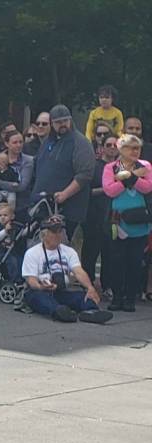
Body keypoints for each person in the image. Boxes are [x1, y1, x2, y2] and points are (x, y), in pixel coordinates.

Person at [22, 215, 111, 323]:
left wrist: (90, 288)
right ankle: (59, 312)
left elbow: (78, 272)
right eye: (54, 232)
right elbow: (31, 280)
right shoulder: (32, 253)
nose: (58, 235)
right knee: (40, 299)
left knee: (81, 296)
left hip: (61, 290)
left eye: (60, 231)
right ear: (44, 235)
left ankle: (91, 311)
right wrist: (41, 286)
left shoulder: (69, 251)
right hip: (40, 291)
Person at [101, 133, 152, 312]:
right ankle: (117, 296)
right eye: (131, 148)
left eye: (137, 148)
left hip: (139, 222)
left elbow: (147, 187)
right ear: (121, 149)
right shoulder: (110, 167)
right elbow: (109, 190)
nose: (135, 151)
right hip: (118, 222)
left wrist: (126, 176)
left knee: (135, 261)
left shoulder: (146, 166)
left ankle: (130, 298)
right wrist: (133, 177)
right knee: (116, 260)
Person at [31, 104, 96, 238]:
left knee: (60, 248)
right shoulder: (47, 142)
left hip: (67, 209)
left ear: (70, 120)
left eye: (65, 121)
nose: (62, 125)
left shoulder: (80, 142)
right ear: (52, 123)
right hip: (43, 205)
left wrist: (65, 194)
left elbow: (85, 174)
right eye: (58, 122)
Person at [82, 134, 116, 291]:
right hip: (93, 216)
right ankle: (87, 284)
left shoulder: (122, 167)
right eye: (108, 145)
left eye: (115, 145)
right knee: (90, 252)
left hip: (114, 216)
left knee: (110, 253)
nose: (112, 148)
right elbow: (86, 191)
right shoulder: (95, 166)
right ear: (102, 148)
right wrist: (106, 189)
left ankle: (107, 286)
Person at [0, 129, 33, 215]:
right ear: (7, 144)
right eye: (15, 142)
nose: (19, 145)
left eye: (21, 142)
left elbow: (22, 186)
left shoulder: (28, 161)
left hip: (20, 206)